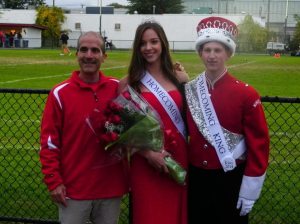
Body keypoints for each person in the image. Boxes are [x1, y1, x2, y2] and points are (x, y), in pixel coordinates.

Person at [185, 16, 270, 224]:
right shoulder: (190, 90)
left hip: (230, 177)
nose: (212, 56)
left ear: (228, 54)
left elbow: (259, 144)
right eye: (207, 50)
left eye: (218, 50)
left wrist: (250, 188)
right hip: (197, 177)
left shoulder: (246, 94)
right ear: (200, 53)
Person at [40, 31, 128, 224]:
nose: (89, 55)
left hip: (110, 189)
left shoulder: (117, 88)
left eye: (95, 50)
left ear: (104, 56)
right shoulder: (60, 93)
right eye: (84, 50)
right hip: (73, 190)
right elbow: (49, 143)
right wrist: (54, 181)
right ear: (76, 54)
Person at [118, 20, 188, 224]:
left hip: (179, 157)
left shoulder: (180, 78)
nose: (148, 48)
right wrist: (149, 154)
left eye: (154, 42)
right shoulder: (128, 82)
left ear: (163, 44)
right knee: (149, 215)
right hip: (145, 162)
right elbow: (121, 130)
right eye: (142, 43)